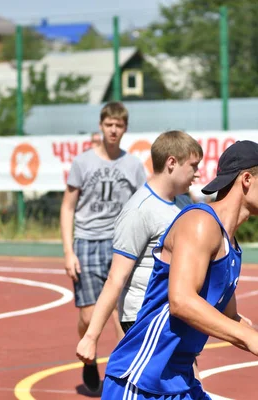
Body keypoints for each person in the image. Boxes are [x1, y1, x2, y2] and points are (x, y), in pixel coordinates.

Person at [100, 140, 258, 399]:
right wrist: (252, 341)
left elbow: (230, 319)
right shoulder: (200, 222)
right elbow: (181, 301)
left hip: (178, 379)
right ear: (247, 179)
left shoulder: (231, 248)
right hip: (142, 377)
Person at [76, 130, 204, 376]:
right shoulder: (139, 210)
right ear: (171, 163)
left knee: (189, 385)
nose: (197, 173)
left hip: (176, 314)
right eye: (193, 166)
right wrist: (91, 337)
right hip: (144, 318)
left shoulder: (186, 205)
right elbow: (116, 278)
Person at [60, 101, 146, 392]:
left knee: (120, 314)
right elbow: (67, 207)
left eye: (118, 125)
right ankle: (89, 356)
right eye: (109, 124)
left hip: (121, 244)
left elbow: (141, 206)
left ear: (125, 128)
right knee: (88, 316)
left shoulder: (133, 165)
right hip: (86, 242)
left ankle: (124, 375)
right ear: (101, 126)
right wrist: (68, 251)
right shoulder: (83, 163)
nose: (113, 130)